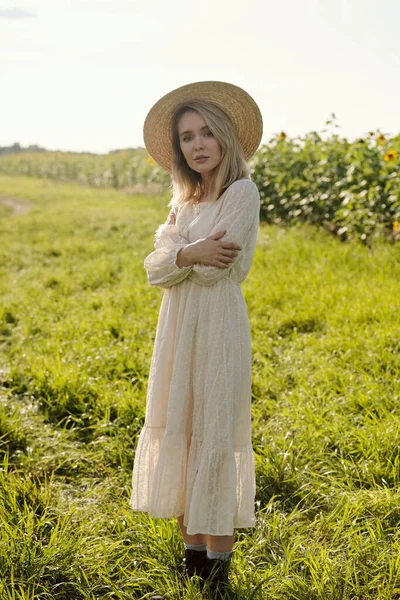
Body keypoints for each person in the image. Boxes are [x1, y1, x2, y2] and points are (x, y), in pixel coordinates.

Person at [129, 80, 263, 599]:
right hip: (178, 327)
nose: (198, 144)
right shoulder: (184, 202)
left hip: (217, 325)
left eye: (208, 132)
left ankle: (217, 562)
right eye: (187, 137)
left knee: (213, 423)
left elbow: (216, 269)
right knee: (181, 416)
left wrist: (177, 252)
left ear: (227, 136)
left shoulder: (241, 193)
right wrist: (185, 252)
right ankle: (191, 554)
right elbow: (155, 269)